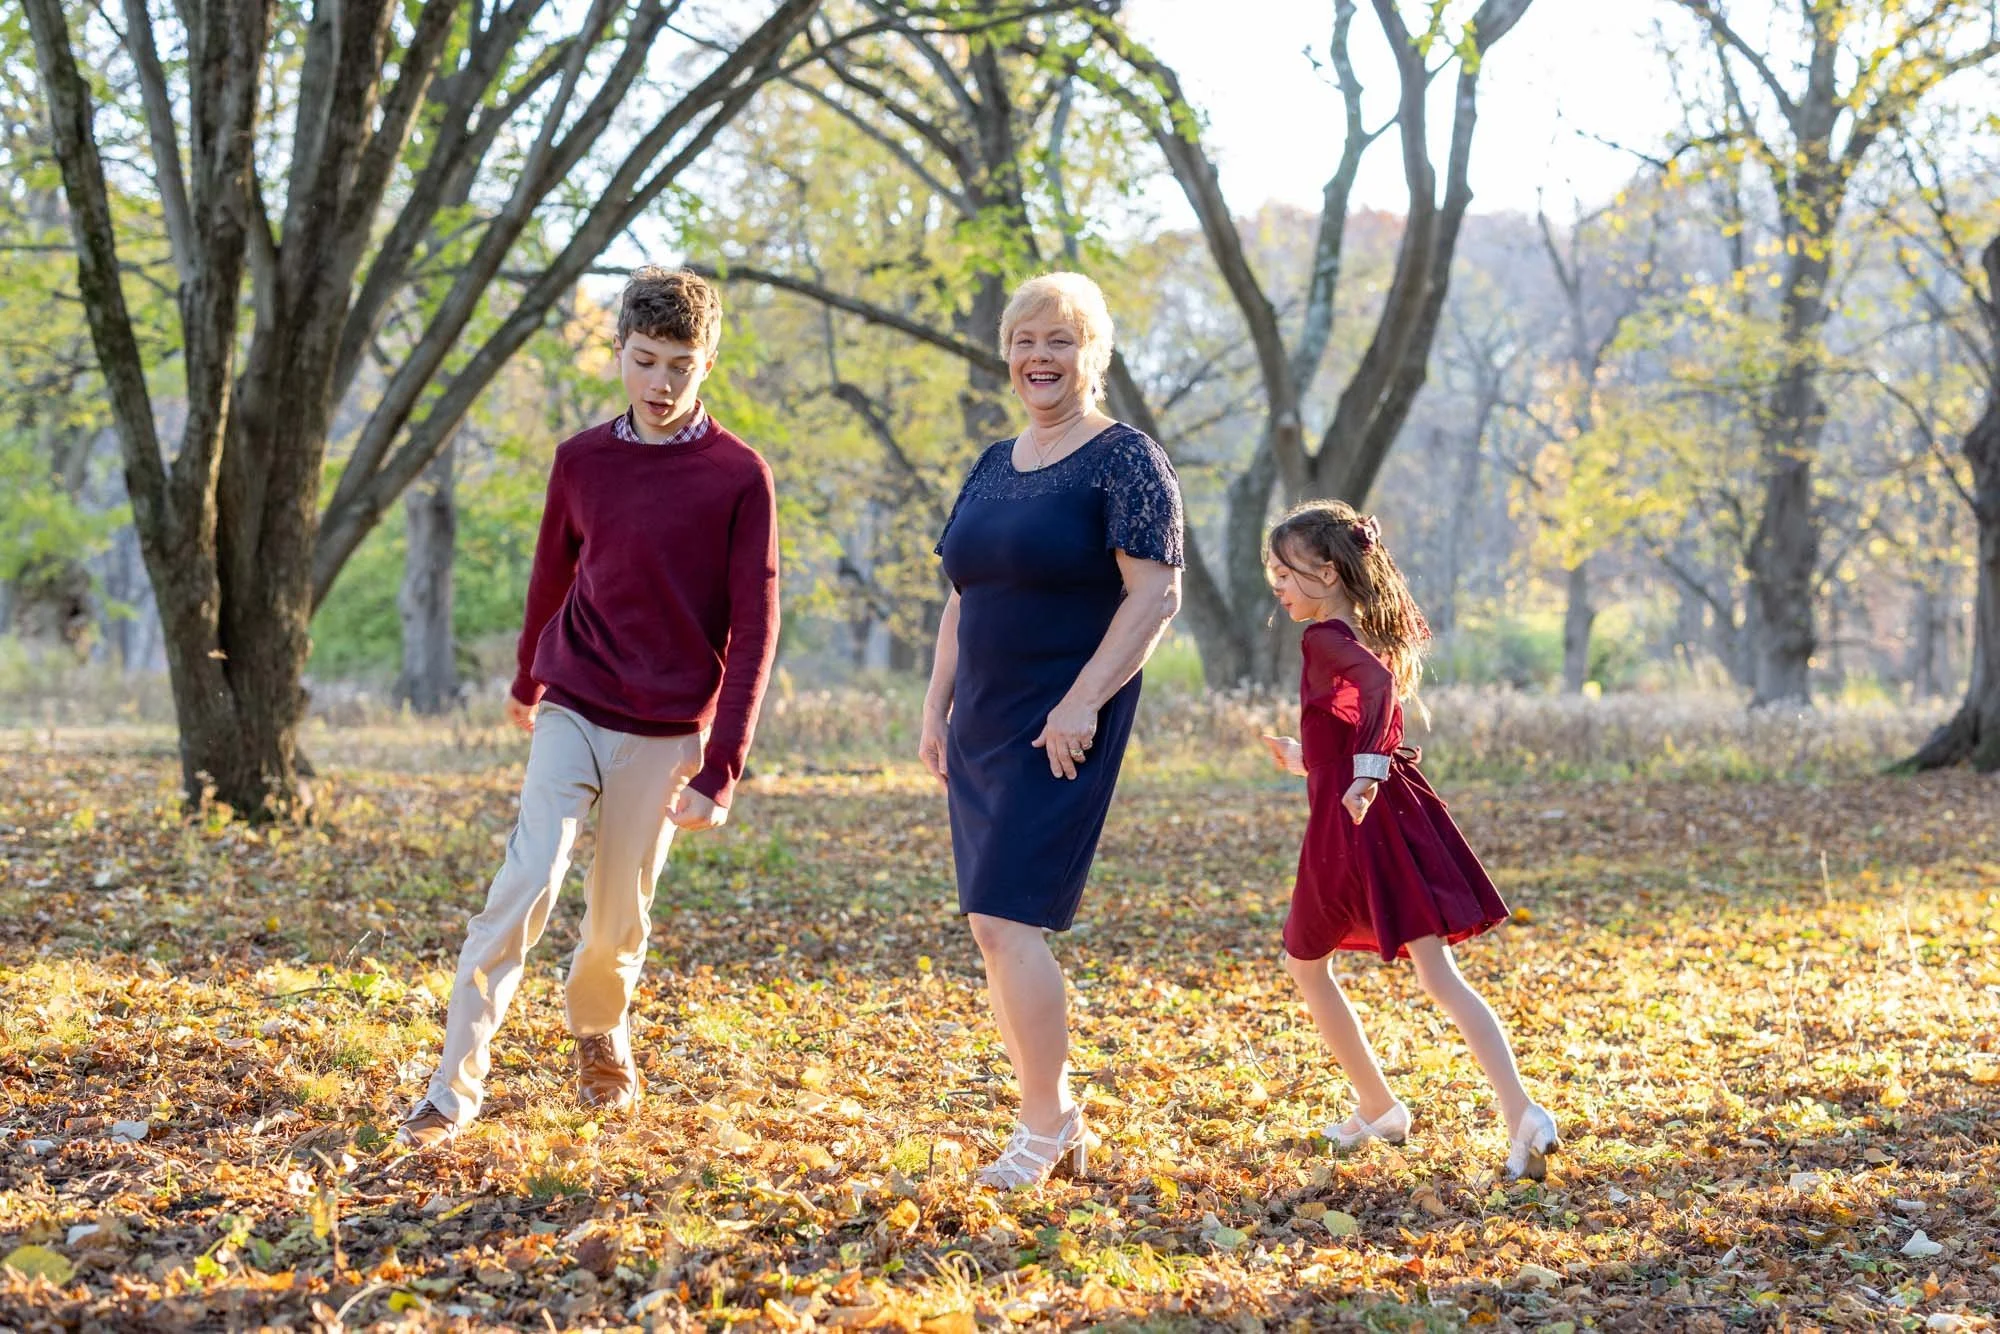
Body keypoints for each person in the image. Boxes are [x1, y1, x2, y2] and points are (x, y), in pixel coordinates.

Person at [396, 267, 779, 1148]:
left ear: (708, 363)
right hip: (576, 698)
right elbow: (551, 573)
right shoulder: (581, 460)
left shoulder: (739, 476)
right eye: (645, 360)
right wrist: (527, 678)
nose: (661, 383)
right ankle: (452, 1087)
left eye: (680, 365)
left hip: (668, 727)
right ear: (618, 353)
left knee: (617, 920)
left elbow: (756, 627)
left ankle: (600, 1028)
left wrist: (722, 766)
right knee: (526, 880)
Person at [918, 272, 1183, 1189]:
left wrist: (1083, 701)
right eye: (1026, 340)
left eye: (1061, 340)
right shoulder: (993, 463)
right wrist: (935, 705)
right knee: (992, 929)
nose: (1041, 357)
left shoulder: (1127, 459)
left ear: (1093, 355)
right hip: (983, 718)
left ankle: (1043, 1123)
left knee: (1007, 918)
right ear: (1007, 354)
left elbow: (1155, 596)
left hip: (1061, 722)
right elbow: (964, 598)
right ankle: (1055, 1118)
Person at [1259, 500, 1559, 1180]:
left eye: (1285, 572)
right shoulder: (1362, 631)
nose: (1277, 585)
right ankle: (1518, 1112)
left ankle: (1381, 1106)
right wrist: (1308, 759)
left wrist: (1363, 772)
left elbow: (1376, 689)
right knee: (1437, 976)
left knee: (1306, 963)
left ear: (1327, 573)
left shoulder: (1324, 637)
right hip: (1389, 814)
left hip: (1353, 827)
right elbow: (1360, 720)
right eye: (1272, 573)